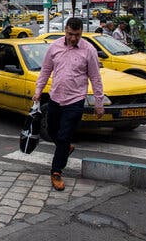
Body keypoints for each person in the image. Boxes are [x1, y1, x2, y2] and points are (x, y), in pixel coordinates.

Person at [32, 17, 104, 191]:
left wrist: (98, 102)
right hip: (55, 97)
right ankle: (66, 148)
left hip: (75, 100)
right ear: (65, 30)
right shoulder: (54, 47)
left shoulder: (89, 50)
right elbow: (46, 70)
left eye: (77, 35)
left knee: (64, 136)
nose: (73, 38)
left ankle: (56, 172)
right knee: (51, 131)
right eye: (70, 34)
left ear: (81, 33)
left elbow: (95, 77)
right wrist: (38, 91)